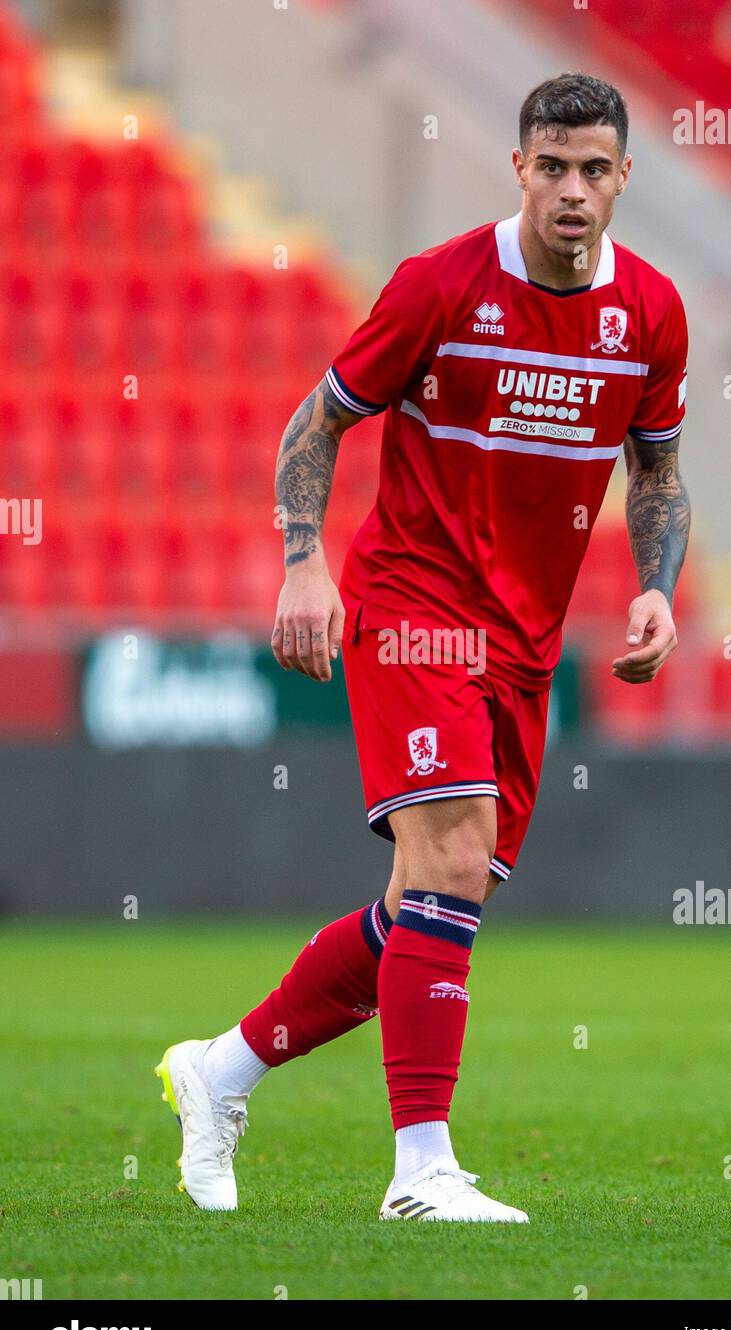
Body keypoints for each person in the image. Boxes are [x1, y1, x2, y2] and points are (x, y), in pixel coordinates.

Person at [155, 71, 690, 1222]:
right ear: (518, 170)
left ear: (622, 180)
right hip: (412, 603)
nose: (572, 191)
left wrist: (655, 586)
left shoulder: (648, 312)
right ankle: (421, 1171)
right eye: (551, 166)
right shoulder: (441, 285)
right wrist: (305, 558)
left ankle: (221, 1070)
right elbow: (320, 418)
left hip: (524, 644)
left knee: (425, 905)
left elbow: (657, 469)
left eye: (594, 169)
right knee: (448, 867)